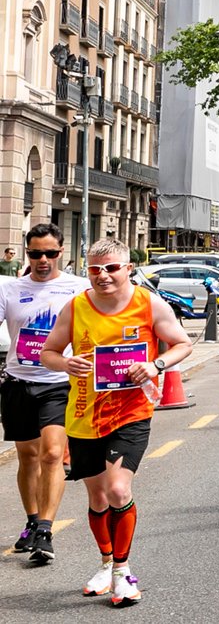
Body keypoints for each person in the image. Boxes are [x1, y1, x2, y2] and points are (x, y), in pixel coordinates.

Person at [39, 238, 193, 607]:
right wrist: (66, 364)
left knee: (118, 491)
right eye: (95, 269)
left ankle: (123, 571)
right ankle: (105, 563)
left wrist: (155, 365)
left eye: (111, 268)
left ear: (128, 269)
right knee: (97, 496)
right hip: (83, 414)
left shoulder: (148, 303)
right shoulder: (76, 307)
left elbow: (183, 344)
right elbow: (48, 353)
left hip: (131, 412)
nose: (103, 276)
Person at [0, 223, 88, 564]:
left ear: (61, 251)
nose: (42, 260)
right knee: (28, 458)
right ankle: (32, 520)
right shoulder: (10, 289)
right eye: (35, 253)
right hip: (19, 382)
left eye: (50, 253)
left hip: (59, 383)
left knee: (53, 453)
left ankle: (46, 530)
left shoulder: (78, 288)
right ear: (27, 253)